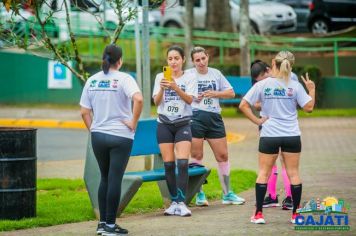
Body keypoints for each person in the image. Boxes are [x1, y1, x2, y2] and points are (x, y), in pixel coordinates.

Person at [239, 51, 315, 224]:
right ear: (291, 65)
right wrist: (312, 89)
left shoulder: (263, 84)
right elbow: (309, 108)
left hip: (269, 135)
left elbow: (243, 105)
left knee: (263, 173)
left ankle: (258, 214)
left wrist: (257, 120)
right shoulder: (294, 85)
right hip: (291, 135)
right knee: (294, 173)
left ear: (273, 63)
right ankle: (296, 215)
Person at [80, 44, 143, 235]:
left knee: (105, 178)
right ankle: (110, 225)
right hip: (120, 136)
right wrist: (133, 121)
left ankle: (102, 224)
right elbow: (138, 99)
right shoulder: (124, 78)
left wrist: (94, 130)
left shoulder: (92, 80)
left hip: (98, 136)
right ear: (120, 60)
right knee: (115, 178)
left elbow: (84, 111)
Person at [189, 46, 245, 206]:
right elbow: (180, 93)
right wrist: (193, 97)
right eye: (197, 60)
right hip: (195, 117)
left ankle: (227, 193)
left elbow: (231, 93)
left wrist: (215, 93)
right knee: (197, 157)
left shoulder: (216, 74)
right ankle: (199, 194)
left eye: (203, 58)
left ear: (207, 57)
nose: (201, 62)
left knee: (222, 156)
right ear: (193, 62)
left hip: (214, 118)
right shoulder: (188, 75)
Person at [152, 45, 197, 217]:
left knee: (183, 162)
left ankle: (182, 202)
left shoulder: (190, 78)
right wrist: (163, 87)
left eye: (176, 58)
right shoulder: (159, 77)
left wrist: (176, 87)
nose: (173, 62)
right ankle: (173, 202)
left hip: (183, 123)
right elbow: (156, 103)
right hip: (164, 123)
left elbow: (190, 100)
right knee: (169, 164)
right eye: (170, 59)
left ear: (183, 60)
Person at [250, 60, 295, 210]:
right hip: (267, 126)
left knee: (285, 161)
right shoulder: (261, 84)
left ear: (270, 70)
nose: (261, 82)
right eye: (258, 81)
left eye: (263, 78)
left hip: (285, 127)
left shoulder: (288, 78)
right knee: (268, 164)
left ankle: (290, 198)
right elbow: (255, 103)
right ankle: (272, 196)